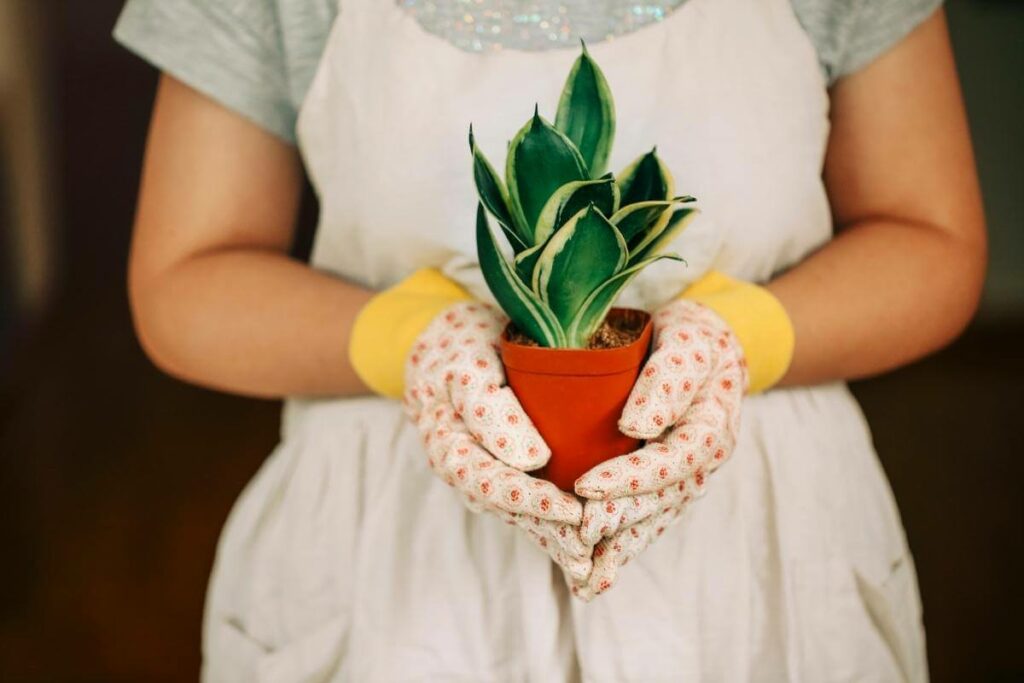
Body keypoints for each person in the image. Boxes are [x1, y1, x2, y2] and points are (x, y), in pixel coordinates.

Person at [115, 0, 985, 679]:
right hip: (396, 566)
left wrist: (740, 335)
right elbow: (183, 280)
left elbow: (932, 238)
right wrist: (408, 341)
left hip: (760, 566)